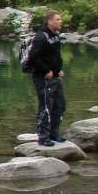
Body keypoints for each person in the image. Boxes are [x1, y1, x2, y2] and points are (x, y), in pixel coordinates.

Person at [29, 10, 67, 146]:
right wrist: (45, 70)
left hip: (56, 76)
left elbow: (55, 56)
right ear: (49, 21)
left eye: (60, 19)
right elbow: (33, 57)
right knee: (46, 107)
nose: (60, 21)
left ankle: (54, 133)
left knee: (60, 105)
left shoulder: (56, 36)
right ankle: (43, 137)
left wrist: (58, 69)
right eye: (58, 19)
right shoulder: (41, 37)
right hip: (43, 78)